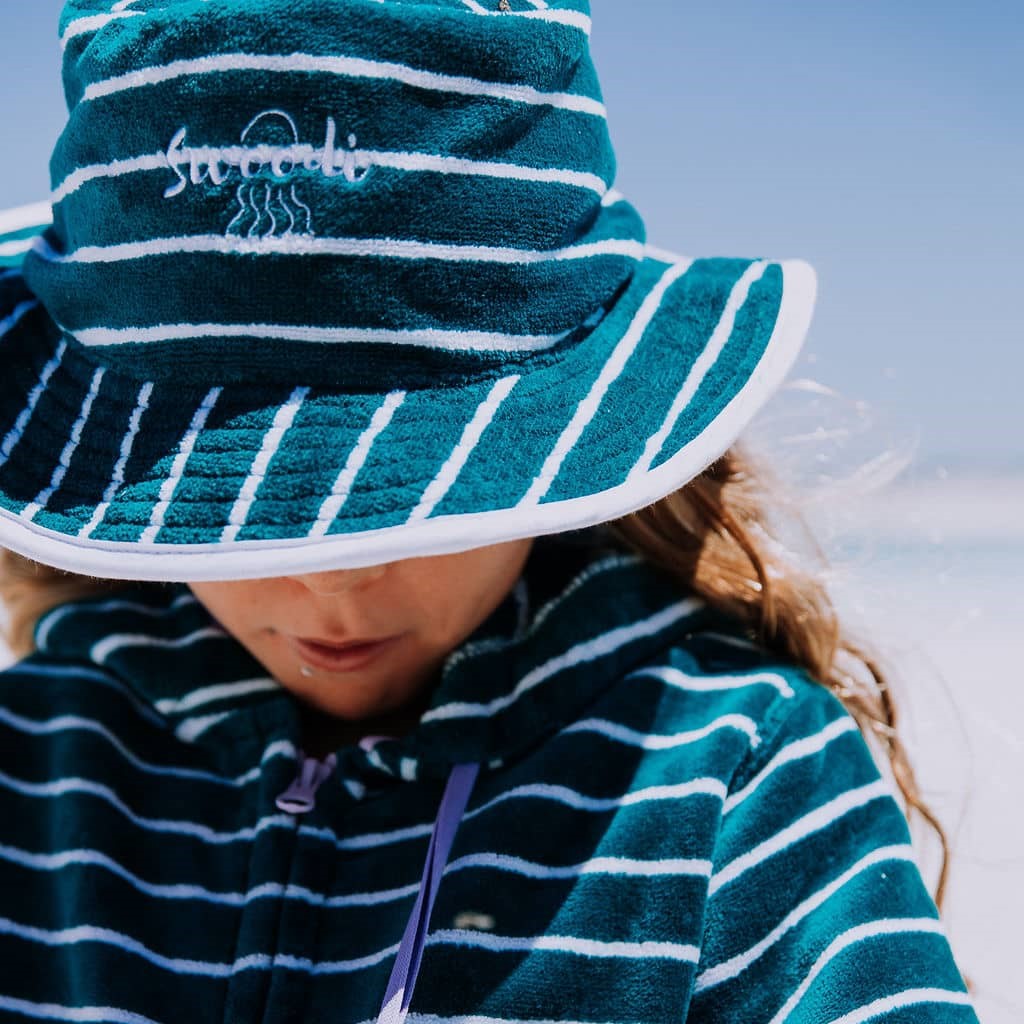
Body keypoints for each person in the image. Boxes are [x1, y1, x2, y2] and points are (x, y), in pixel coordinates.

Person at [0, 1, 978, 1021]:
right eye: (245, 515)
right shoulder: (35, 767)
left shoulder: (730, 777)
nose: (334, 578)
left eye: (415, 506)